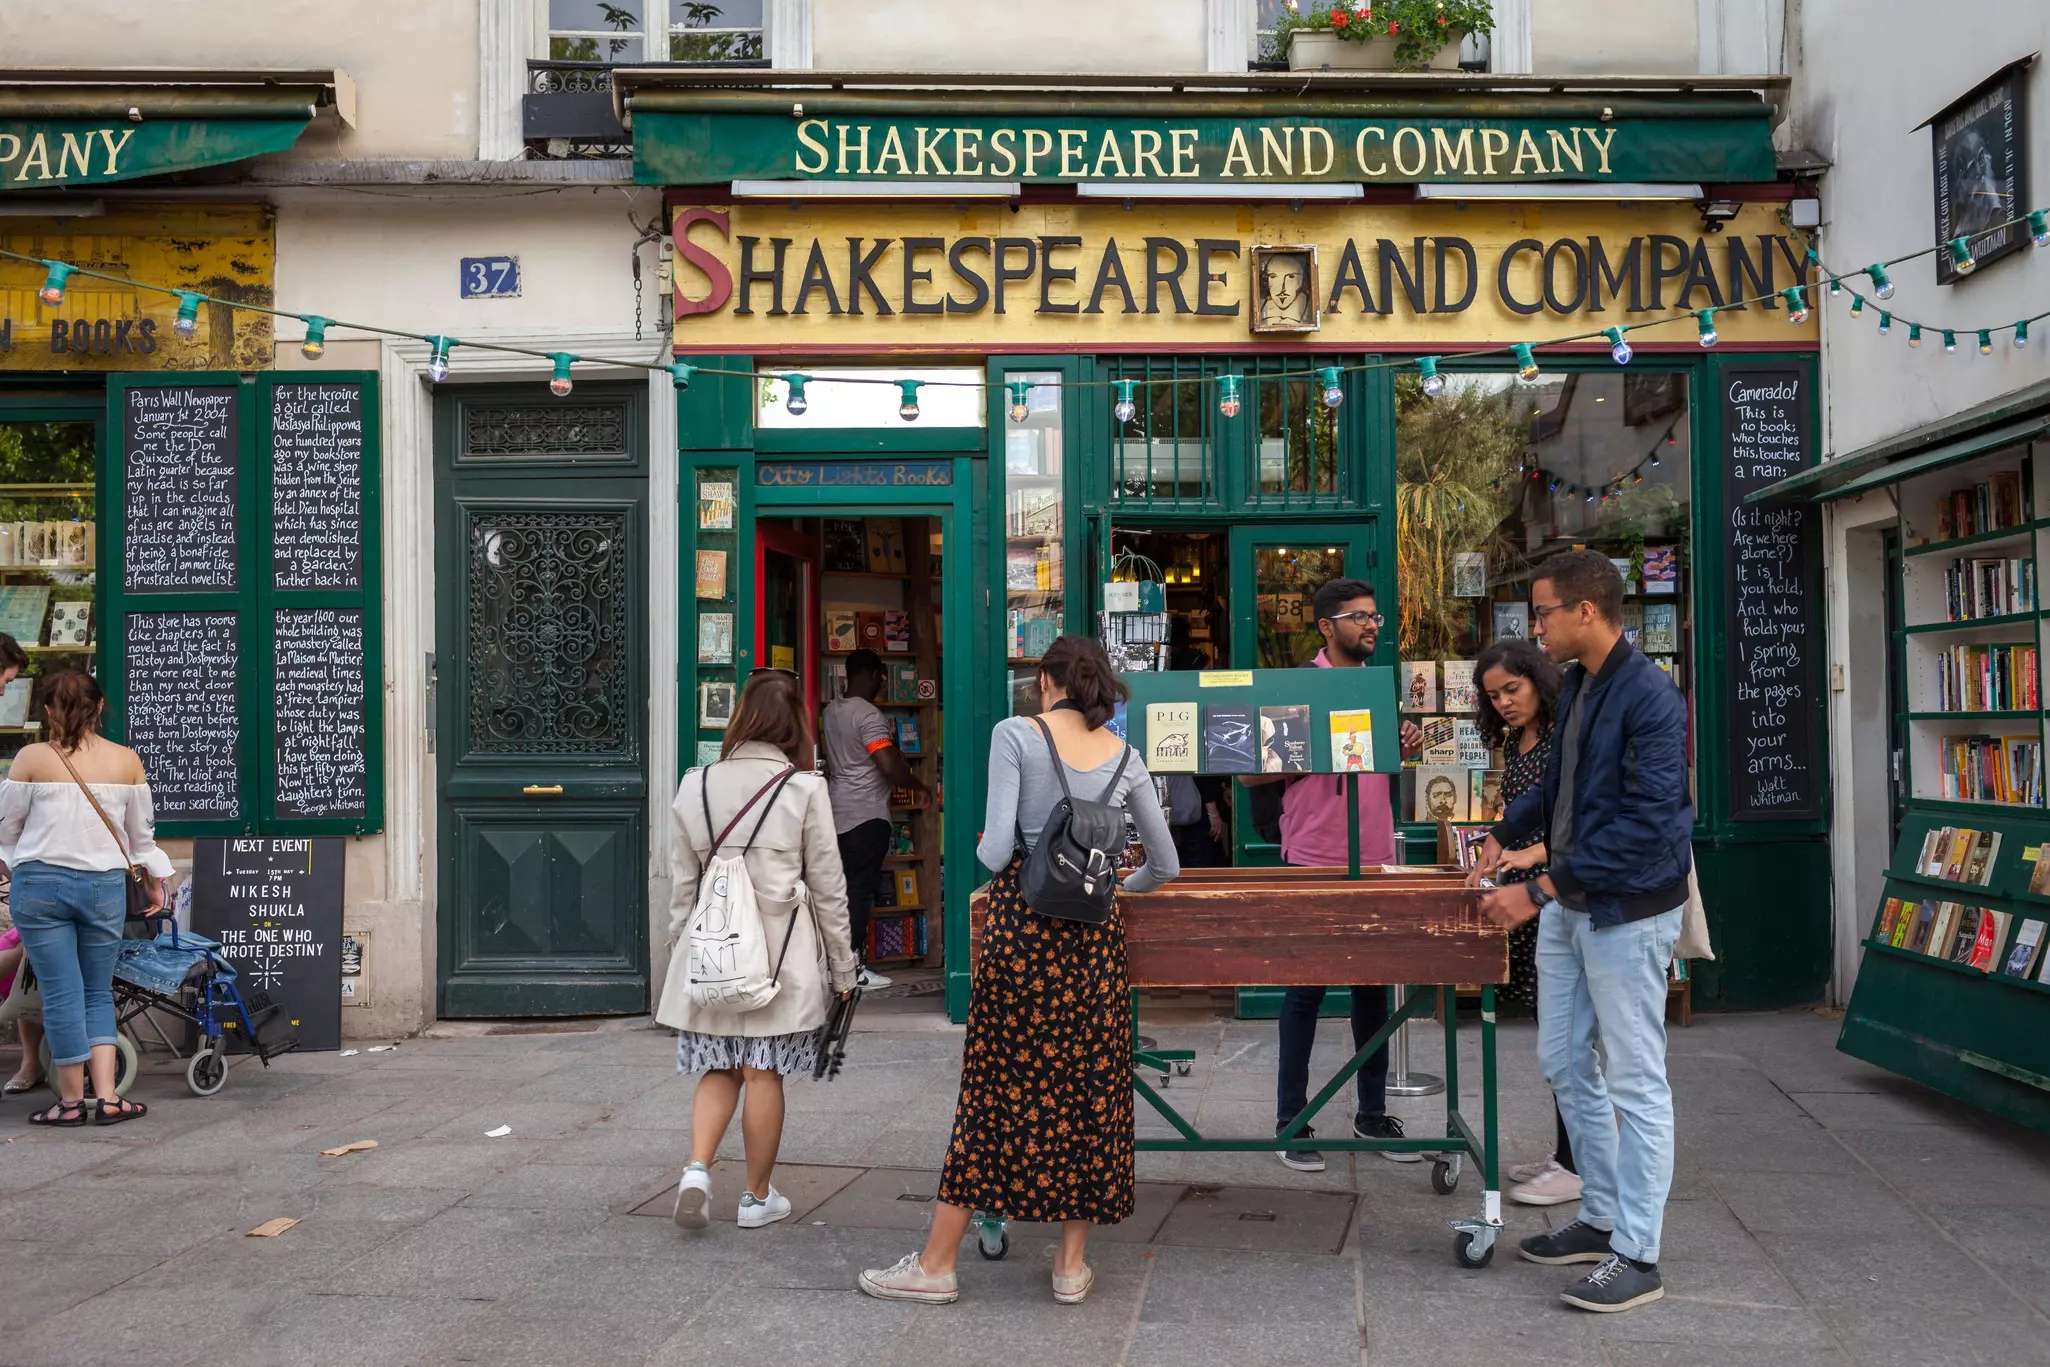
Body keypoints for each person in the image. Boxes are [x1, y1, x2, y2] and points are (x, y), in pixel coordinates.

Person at [860, 636, 1179, 1307]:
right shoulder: (1127, 756)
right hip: (1093, 946)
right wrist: (1114, 888)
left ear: (1044, 680)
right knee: (1091, 1090)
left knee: (995, 1091)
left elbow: (997, 849)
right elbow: (1166, 864)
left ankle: (938, 1263)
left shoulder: (1017, 734)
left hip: (1022, 938)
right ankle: (1069, 1265)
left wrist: (989, 846)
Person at [1471, 550, 1692, 1314]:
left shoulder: (1651, 697)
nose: (1536, 627)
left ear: (1586, 613)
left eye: (1544, 612)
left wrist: (1540, 888)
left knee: (1637, 1080)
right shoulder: (1585, 689)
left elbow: (1651, 823)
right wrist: (1503, 832)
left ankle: (1639, 1253)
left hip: (1626, 910)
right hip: (1573, 900)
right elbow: (1561, 786)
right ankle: (1600, 1215)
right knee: (1564, 1059)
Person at [659, 670, 859, 1232]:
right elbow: (828, 887)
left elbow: (679, 886)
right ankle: (755, 1197)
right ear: (795, 724)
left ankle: (697, 1169)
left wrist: (683, 951)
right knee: (762, 1072)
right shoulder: (803, 788)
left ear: (741, 717)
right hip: (777, 956)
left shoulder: (694, 784)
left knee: (717, 1066)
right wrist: (844, 969)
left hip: (713, 952)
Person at [1244, 578, 1423, 1172]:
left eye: (1376, 618)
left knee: (1373, 988)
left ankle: (1372, 1114)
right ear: (1327, 626)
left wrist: (1403, 741)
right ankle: (1291, 1121)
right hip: (1314, 856)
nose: (1373, 626)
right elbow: (1249, 777)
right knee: (1305, 992)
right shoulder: (1299, 689)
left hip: (1374, 855)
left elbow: (1380, 760)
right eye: (1359, 618)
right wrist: (1309, 746)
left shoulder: (1376, 687)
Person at [0, 669, 169, 1126]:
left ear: (49, 711)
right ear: (99, 708)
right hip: (103, 887)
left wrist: (21, 867)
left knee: (60, 993)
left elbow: (5, 831)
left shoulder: (31, 758)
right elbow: (142, 839)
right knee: (97, 992)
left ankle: (70, 1103)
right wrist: (155, 879)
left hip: (40, 885)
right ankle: (109, 1098)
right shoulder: (126, 760)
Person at [1470, 639, 1580, 1208]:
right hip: (1536, 898)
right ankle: (1565, 1154)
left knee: (1567, 1039)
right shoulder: (1520, 737)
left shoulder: (1566, 731)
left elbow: (1557, 805)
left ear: (1538, 679)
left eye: (1513, 688)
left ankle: (1576, 1162)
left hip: (1562, 891)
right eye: (1494, 696)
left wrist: (1518, 847)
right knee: (1552, 1035)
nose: (1506, 702)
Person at [821, 649, 922, 990]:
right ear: (865, 673)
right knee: (860, 893)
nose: (882, 681)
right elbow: (887, 764)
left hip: (836, 813)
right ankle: (853, 970)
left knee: (840, 893)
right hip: (866, 814)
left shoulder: (831, 710)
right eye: (879, 674)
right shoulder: (869, 715)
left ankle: (837, 965)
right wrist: (917, 783)